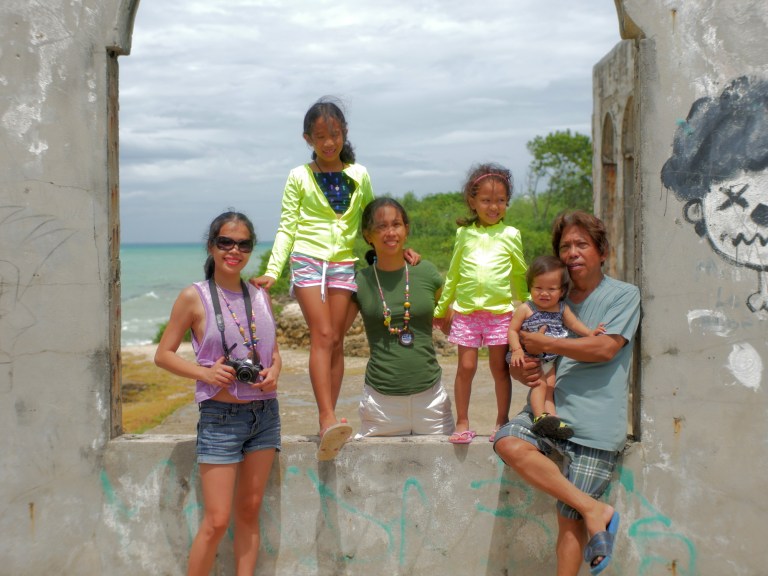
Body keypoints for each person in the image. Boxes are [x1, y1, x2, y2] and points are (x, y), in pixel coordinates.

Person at [494, 210, 640, 576]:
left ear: (602, 251)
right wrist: (524, 366)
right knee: (508, 442)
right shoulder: (551, 297)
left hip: (596, 424)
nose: (572, 252)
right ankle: (596, 511)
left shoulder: (624, 295)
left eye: (582, 244)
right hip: (549, 411)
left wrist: (547, 343)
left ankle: (586, 513)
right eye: (565, 246)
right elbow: (527, 351)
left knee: (568, 521)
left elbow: (605, 349)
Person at [155, 211, 281, 576]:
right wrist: (206, 373)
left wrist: (273, 372)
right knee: (217, 521)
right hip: (219, 418)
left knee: (249, 514)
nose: (234, 250)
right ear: (211, 246)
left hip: (265, 415)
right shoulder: (193, 297)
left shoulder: (260, 295)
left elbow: (274, 355)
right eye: (225, 242)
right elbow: (162, 355)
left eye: (243, 244)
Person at [252, 97, 372, 460]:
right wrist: (274, 270)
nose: (328, 142)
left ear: (344, 132)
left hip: (345, 261)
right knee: (321, 334)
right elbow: (288, 226)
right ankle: (326, 417)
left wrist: (392, 255)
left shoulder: (359, 175)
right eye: (320, 136)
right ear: (308, 139)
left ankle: (330, 420)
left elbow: (369, 224)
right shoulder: (299, 176)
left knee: (335, 340)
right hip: (307, 259)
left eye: (334, 134)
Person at [433, 163, 529, 444]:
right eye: (486, 200)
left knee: (499, 369)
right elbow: (453, 274)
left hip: (501, 314)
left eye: (500, 201)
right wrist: (442, 309)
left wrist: (527, 306)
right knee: (466, 367)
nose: (493, 207)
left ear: (507, 203)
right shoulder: (464, 234)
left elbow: (519, 273)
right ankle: (462, 422)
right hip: (467, 313)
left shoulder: (511, 234)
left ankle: (502, 420)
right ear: (472, 202)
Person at [347, 198, 455, 437]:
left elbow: (453, 324)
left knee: (444, 474)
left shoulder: (425, 272)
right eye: (381, 226)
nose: (390, 232)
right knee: (376, 475)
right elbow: (332, 335)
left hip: (431, 400)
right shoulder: (360, 281)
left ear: (406, 229)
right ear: (368, 235)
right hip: (381, 402)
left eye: (396, 224)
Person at [507, 255, 605, 440]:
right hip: (529, 356)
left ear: (562, 291)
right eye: (538, 288)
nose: (544, 293)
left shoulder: (561, 308)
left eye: (551, 289)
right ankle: (539, 417)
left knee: (550, 386)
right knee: (540, 383)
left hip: (550, 358)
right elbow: (512, 330)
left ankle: (553, 420)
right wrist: (517, 350)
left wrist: (591, 333)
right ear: (530, 287)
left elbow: (574, 324)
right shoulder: (527, 308)